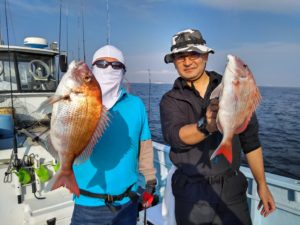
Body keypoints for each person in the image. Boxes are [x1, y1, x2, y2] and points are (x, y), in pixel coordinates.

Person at [159, 29, 276, 225]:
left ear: (205, 55)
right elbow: (176, 137)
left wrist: (262, 184)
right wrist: (207, 126)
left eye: (194, 54)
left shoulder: (233, 85)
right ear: (173, 61)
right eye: (180, 57)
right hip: (190, 191)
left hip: (232, 189)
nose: (187, 62)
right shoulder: (170, 100)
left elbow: (251, 141)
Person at [70, 45, 157, 225]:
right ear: (92, 69)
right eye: (102, 64)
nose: (109, 69)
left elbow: (145, 145)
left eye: (116, 65)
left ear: (123, 71)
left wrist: (150, 182)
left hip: (127, 203)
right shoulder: (77, 101)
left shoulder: (136, 104)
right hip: (87, 204)